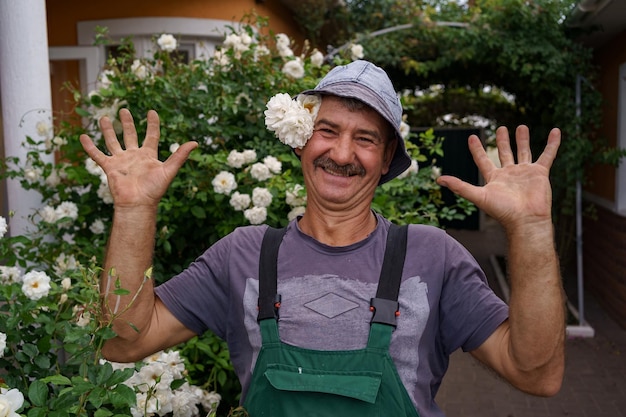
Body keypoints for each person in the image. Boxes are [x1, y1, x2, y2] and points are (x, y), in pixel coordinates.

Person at [79, 60, 565, 417]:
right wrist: (135, 209)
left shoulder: (432, 256)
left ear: (387, 155)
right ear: (302, 138)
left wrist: (532, 229)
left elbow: (537, 373)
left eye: (366, 138)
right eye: (327, 130)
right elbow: (123, 344)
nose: (343, 152)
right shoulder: (242, 255)